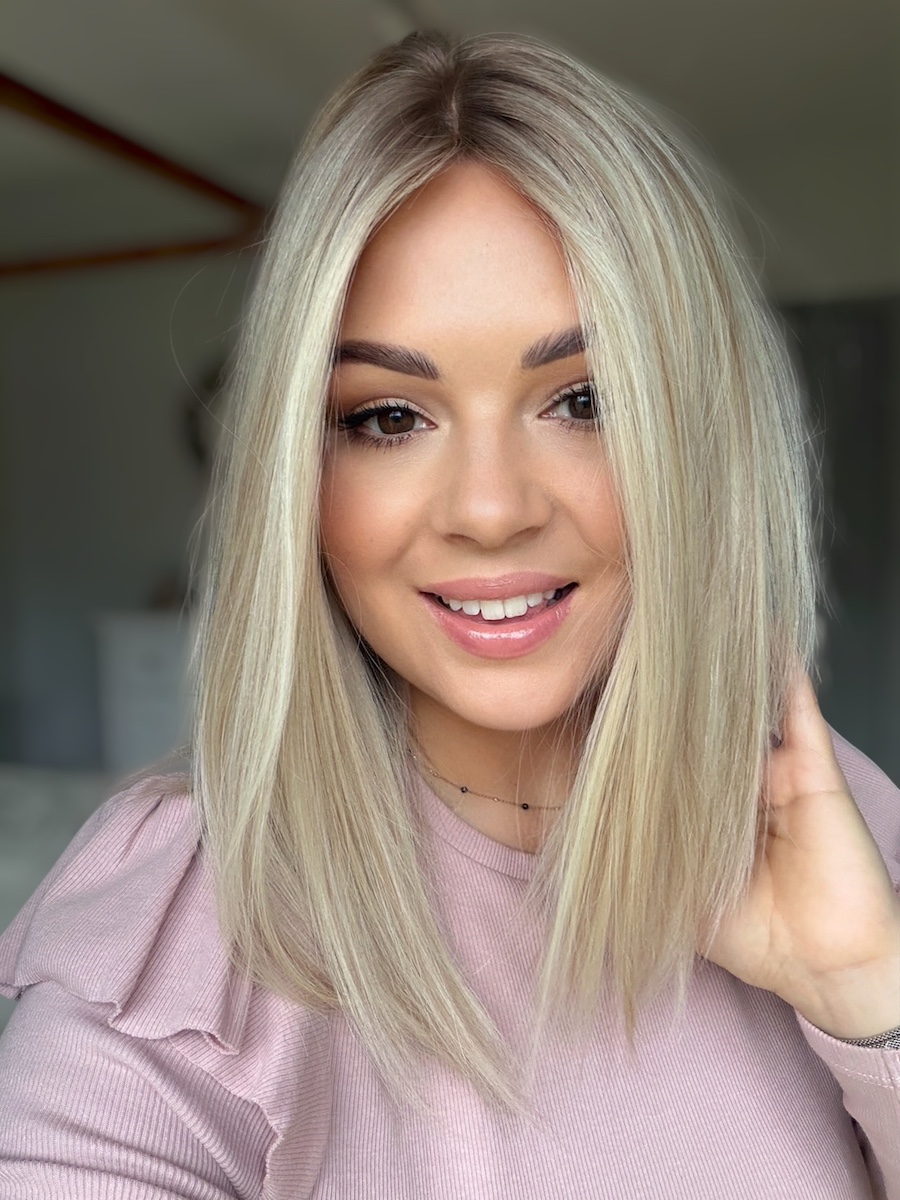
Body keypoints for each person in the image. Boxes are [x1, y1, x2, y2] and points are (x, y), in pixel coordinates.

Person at [0, 29, 898, 1200]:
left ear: (699, 443)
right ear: (297, 476)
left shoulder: (829, 821)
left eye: (586, 399)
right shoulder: (191, 933)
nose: (488, 510)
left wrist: (872, 1000)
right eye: (387, 417)